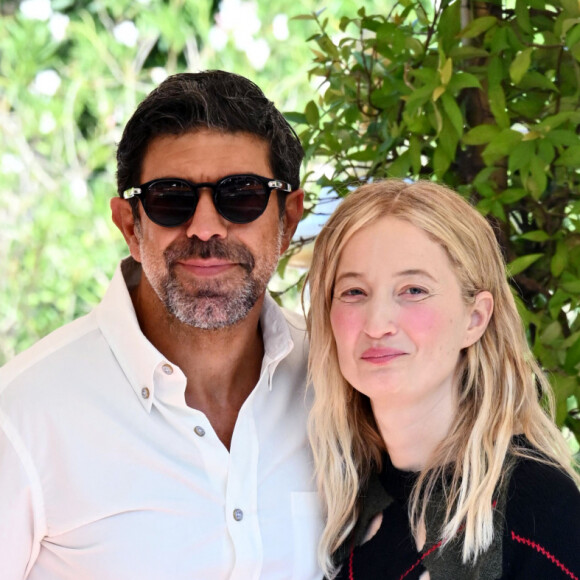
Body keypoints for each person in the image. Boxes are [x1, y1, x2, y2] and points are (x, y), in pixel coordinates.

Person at [0, 71, 323, 580]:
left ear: (290, 219)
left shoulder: (337, 388)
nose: (205, 227)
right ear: (130, 225)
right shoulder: (20, 417)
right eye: (171, 198)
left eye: (241, 195)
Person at [305, 179, 580, 579]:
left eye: (413, 290)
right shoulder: (343, 502)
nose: (377, 323)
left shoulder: (536, 508)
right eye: (353, 292)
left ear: (475, 318)